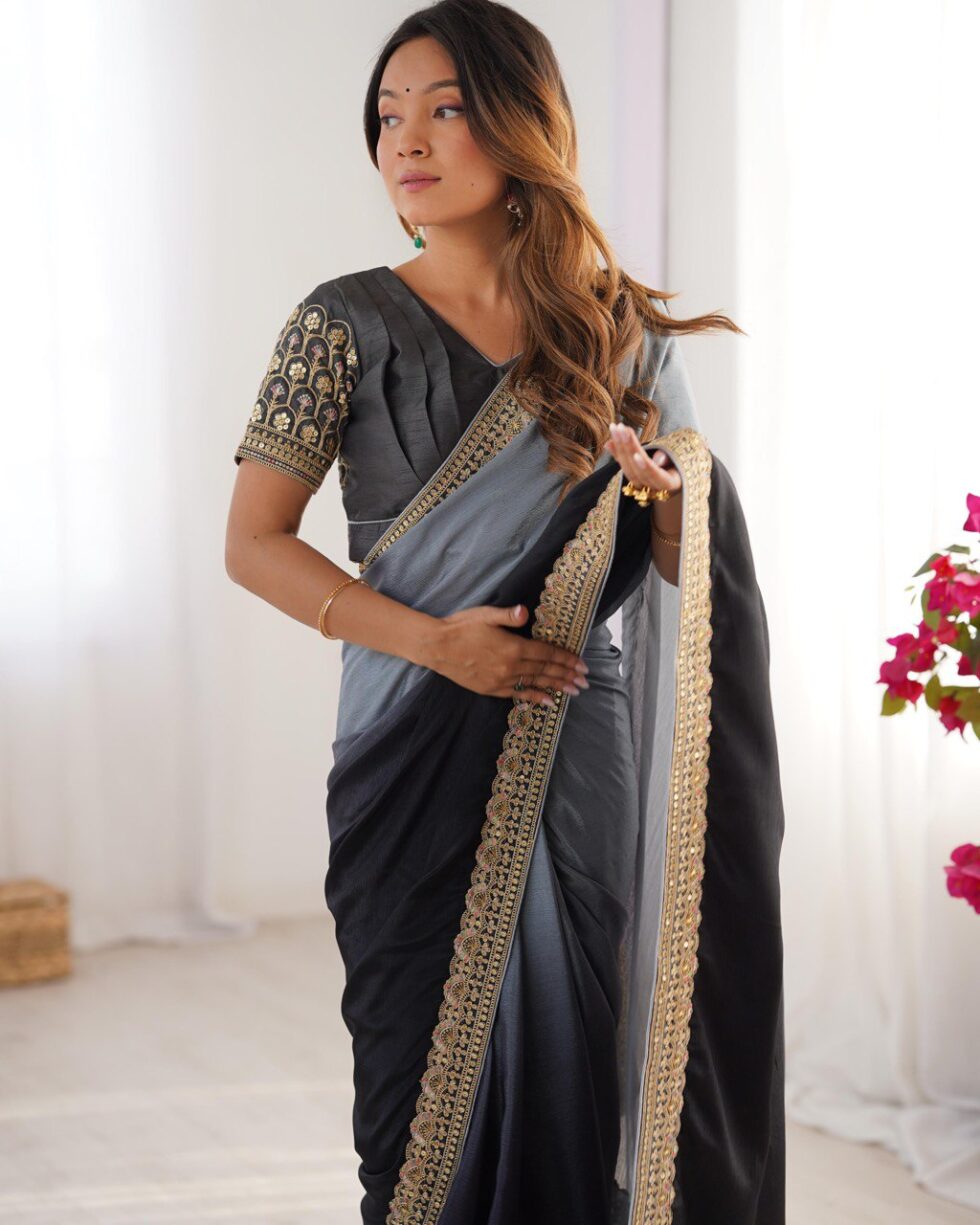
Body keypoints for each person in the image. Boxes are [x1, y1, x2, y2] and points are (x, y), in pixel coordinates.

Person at [224, 2, 786, 1222]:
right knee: (409, 1082)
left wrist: (662, 496)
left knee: (583, 1036)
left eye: (445, 109)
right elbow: (253, 545)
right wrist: (433, 643)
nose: (406, 140)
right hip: (405, 736)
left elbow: (684, 556)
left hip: (574, 733)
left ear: (523, 125)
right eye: (387, 115)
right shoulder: (339, 323)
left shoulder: (613, 331)